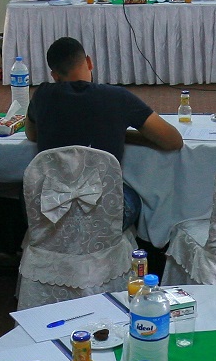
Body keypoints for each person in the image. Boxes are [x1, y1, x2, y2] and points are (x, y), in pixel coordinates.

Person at [25, 35, 183, 228]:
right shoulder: (118, 97)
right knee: (135, 195)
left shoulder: (41, 95)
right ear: (89, 62)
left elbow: (32, 134)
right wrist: (122, 134)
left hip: (53, 210)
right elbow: (173, 141)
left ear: (55, 76)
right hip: (103, 214)